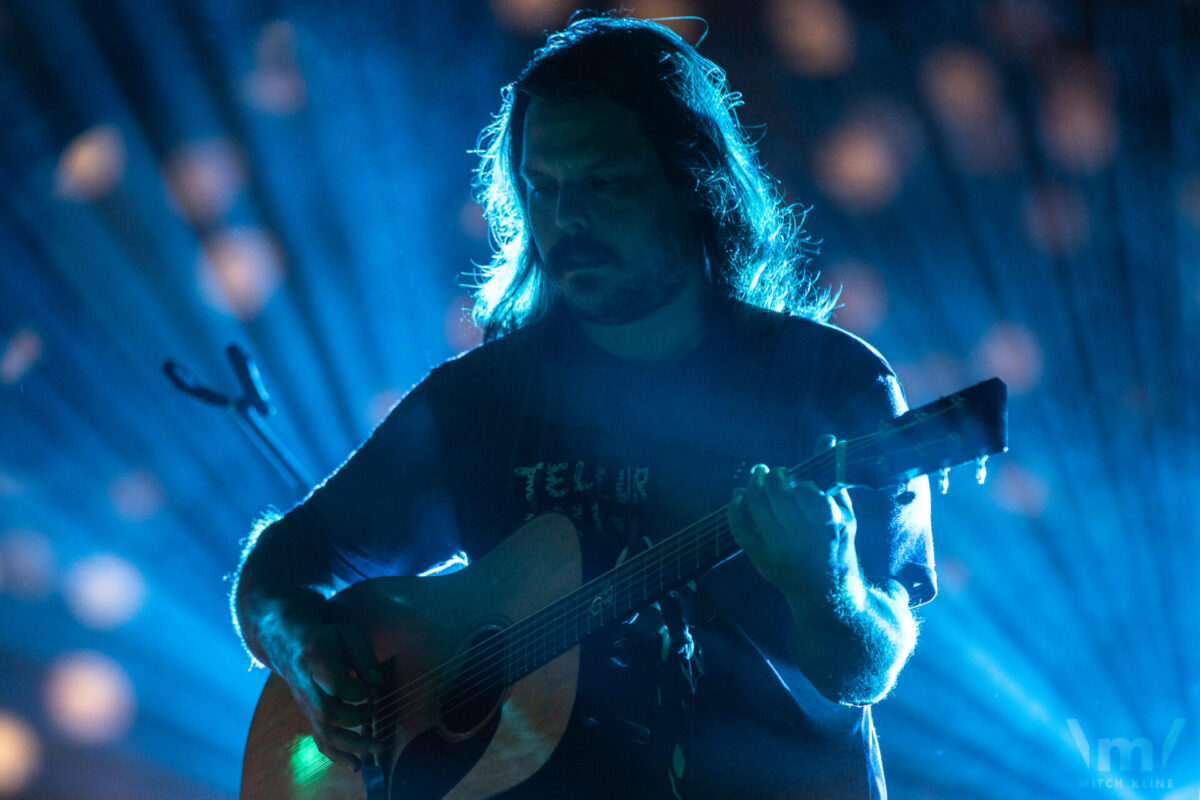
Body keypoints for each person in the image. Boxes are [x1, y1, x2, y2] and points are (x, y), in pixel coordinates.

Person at [232, 14, 934, 799]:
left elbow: (862, 670)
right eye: (543, 187)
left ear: (693, 183)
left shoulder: (827, 383)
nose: (568, 220)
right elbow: (278, 571)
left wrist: (827, 588)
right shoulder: (478, 401)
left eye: (606, 183)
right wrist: (301, 648)